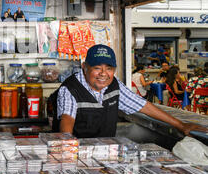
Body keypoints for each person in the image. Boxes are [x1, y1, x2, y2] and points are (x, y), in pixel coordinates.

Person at [53, 44, 206, 138]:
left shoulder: (114, 85)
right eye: (97, 68)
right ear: (85, 67)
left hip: (106, 151)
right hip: (78, 151)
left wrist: (181, 125)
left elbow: (143, 106)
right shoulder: (70, 88)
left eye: (109, 68)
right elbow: (67, 119)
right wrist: (68, 148)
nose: (103, 74)